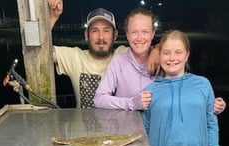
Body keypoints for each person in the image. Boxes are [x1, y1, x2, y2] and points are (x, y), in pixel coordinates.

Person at [94, 7, 226, 114]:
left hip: (160, 133)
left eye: (145, 32)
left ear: (152, 33)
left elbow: (184, 90)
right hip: (126, 134)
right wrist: (132, 103)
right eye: (134, 32)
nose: (139, 38)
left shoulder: (165, 60)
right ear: (127, 35)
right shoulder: (118, 62)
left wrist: (210, 103)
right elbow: (99, 99)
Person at [48, 0, 160, 109]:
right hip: (82, 127)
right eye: (95, 31)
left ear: (115, 35)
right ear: (86, 35)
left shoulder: (123, 54)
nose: (101, 37)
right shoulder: (75, 57)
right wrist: (53, 17)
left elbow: (151, 47)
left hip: (116, 125)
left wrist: (156, 49)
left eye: (106, 31)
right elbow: (41, 53)